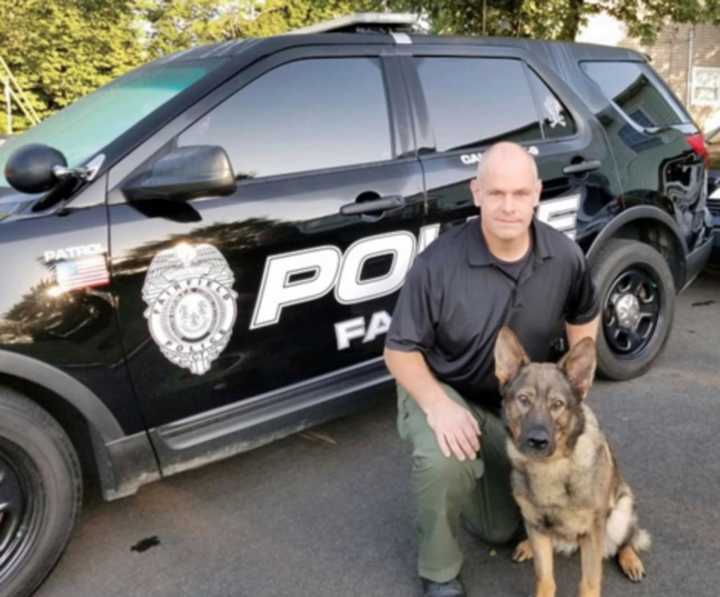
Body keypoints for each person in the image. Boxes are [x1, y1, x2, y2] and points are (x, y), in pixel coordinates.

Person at [384, 142, 600, 597]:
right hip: (445, 390)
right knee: (444, 461)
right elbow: (398, 352)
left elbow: (584, 319)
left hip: (516, 406)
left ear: (537, 193)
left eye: (520, 193)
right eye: (496, 193)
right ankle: (439, 573)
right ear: (476, 192)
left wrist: (576, 384)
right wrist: (438, 407)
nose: (508, 206)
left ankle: (479, 474)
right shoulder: (438, 264)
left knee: (502, 531)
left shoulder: (564, 256)